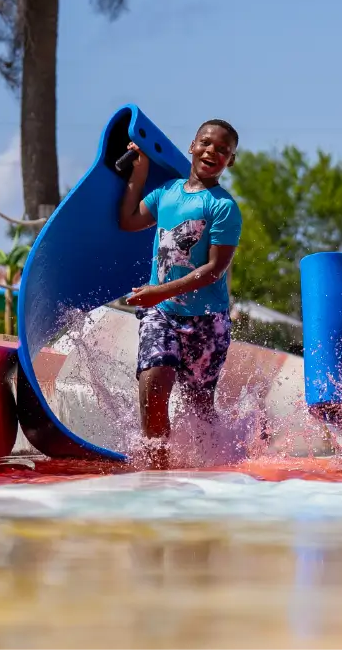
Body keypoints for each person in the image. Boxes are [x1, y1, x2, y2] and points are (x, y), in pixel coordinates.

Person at [118, 119, 244, 469]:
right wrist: (139, 173)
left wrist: (158, 290)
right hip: (160, 313)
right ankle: (158, 468)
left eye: (223, 150)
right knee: (154, 379)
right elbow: (128, 220)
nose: (212, 152)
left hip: (207, 321)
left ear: (230, 161)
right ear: (192, 145)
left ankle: (215, 465)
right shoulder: (166, 193)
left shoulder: (223, 206)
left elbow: (214, 269)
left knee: (200, 406)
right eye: (206, 143)